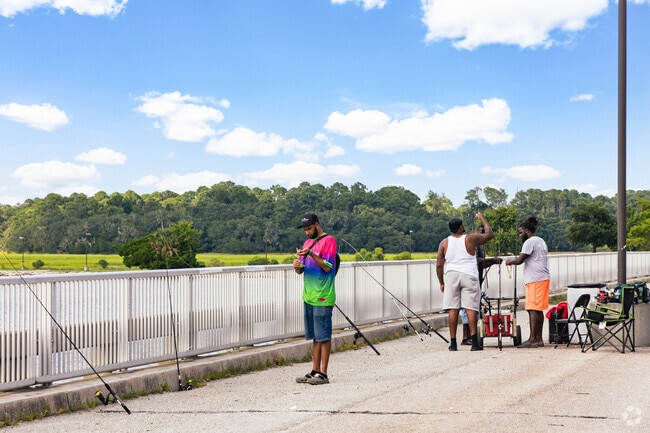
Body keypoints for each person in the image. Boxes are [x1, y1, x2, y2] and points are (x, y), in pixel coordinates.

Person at [436, 212, 494, 351]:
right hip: (469, 275)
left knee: (453, 309)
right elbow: (489, 234)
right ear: (460, 227)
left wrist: (441, 282)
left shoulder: (444, 243)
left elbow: (439, 264)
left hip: (451, 276)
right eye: (463, 224)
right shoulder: (470, 239)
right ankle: (474, 343)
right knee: (470, 308)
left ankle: (453, 343)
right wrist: (482, 218)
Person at [292, 213, 338, 385]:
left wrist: (312, 253)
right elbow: (301, 270)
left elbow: (327, 267)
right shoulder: (307, 242)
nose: (307, 232)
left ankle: (324, 374)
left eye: (309, 228)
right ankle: (314, 371)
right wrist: (297, 266)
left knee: (323, 335)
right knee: (315, 336)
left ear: (317, 225)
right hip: (309, 295)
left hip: (323, 296)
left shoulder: (329, 241)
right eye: (305, 230)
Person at [505, 216, 550, 348]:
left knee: (532, 309)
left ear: (526, 230)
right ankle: (539, 339)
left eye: (521, 232)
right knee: (538, 309)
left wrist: (509, 261)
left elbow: (519, 260)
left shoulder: (529, 242)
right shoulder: (541, 241)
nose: (520, 236)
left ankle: (533, 339)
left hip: (535, 279)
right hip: (543, 278)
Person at [460, 224, 501, 345]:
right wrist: (492, 260)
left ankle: (470, 336)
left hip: (476, 280)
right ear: (475, 232)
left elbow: (481, 264)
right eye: (480, 232)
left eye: (484, 232)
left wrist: (492, 263)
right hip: (468, 280)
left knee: (474, 308)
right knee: (467, 308)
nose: (482, 234)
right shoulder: (473, 245)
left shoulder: (480, 247)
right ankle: (466, 337)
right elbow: (475, 261)